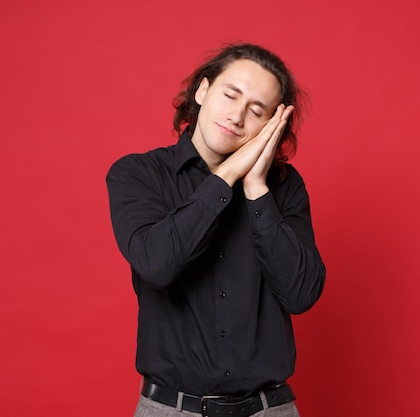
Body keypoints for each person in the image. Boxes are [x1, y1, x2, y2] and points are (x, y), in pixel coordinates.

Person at [106, 43, 325, 417]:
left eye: (257, 111)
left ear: (273, 125)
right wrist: (227, 176)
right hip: (171, 409)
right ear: (203, 91)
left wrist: (256, 188)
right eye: (230, 95)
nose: (237, 117)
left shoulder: (284, 187)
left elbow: (302, 293)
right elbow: (156, 263)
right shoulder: (137, 174)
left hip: (268, 409)